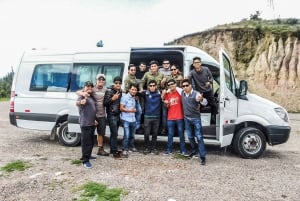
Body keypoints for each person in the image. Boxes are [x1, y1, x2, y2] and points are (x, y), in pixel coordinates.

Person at [76, 74, 109, 156]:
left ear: (104, 81)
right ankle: (86, 155)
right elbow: (78, 92)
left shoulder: (106, 89)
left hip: (102, 115)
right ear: (96, 80)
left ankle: (100, 149)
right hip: (93, 115)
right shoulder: (92, 88)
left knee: (101, 133)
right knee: (89, 136)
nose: (101, 81)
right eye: (99, 80)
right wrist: (82, 94)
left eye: (102, 80)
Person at [181, 79, 208, 165]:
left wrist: (201, 100)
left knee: (199, 137)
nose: (185, 87)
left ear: (190, 86)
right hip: (187, 118)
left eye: (186, 85)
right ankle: (194, 151)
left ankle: (203, 157)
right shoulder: (182, 93)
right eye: (183, 86)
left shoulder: (196, 94)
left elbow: (205, 103)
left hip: (195, 119)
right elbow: (172, 88)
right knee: (190, 137)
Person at [162, 79, 187, 156]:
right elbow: (166, 106)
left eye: (172, 84)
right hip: (170, 118)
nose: (171, 85)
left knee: (181, 135)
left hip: (180, 117)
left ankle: (183, 151)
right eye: (169, 85)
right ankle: (169, 150)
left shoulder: (180, 92)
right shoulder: (167, 94)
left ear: (175, 84)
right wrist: (165, 103)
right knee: (170, 135)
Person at [188, 56, 217, 123]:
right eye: (195, 63)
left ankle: (213, 120)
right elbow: (188, 78)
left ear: (200, 63)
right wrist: (187, 78)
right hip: (200, 92)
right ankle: (198, 121)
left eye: (198, 62)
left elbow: (211, 78)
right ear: (193, 64)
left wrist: (209, 82)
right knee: (197, 107)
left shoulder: (206, 69)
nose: (196, 64)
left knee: (214, 105)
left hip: (208, 91)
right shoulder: (192, 72)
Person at [76, 81, 97, 169]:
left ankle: (88, 155)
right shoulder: (82, 96)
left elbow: (92, 109)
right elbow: (77, 103)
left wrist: (94, 119)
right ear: (84, 87)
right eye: (87, 86)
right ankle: (85, 160)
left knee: (91, 141)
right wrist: (81, 102)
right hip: (85, 123)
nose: (89, 88)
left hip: (91, 122)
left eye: (91, 87)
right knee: (86, 142)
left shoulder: (91, 96)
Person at [140, 80, 162, 155]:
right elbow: (135, 93)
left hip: (157, 117)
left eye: (153, 85)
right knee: (146, 133)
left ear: (156, 86)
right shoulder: (145, 93)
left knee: (155, 134)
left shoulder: (160, 93)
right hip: (147, 116)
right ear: (148, 86)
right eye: (151, 86)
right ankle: (146, 148)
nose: (152, 87)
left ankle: (153, 148)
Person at [104, 76, 123, 159]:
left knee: (114, 134)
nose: (118, 84)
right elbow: (105, 103)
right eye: (116, 83)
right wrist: (112, 98)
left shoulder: (120, 91)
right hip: (111, 115)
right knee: (114, 134)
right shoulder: (109, 91)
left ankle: (112, 149)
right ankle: (114, 152)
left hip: (118, 115)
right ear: (114, 83)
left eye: (119, 83)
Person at [120, 83, 138, 157]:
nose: (134, 91)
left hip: (133, 119)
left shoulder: (134, 98)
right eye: (132, 89)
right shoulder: (125, 97)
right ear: (129, 90)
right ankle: (124, 149)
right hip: (126, 119)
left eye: (135, 90)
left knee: (132, 135)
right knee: (126, 135)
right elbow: (121, 108)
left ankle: (131, 146)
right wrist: (131, 111)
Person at [124, 64, 142, 131]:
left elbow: (139, 82)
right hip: (129, 98)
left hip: (135, 98)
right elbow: (126, 90)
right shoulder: (127, 79)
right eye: (132, 70)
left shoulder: (134, 78)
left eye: (134, 70)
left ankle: (135, 126)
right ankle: (135, 126)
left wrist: (140, 88)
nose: (133, 71)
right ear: (128, 71)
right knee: (137, 112)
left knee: (139, 111)